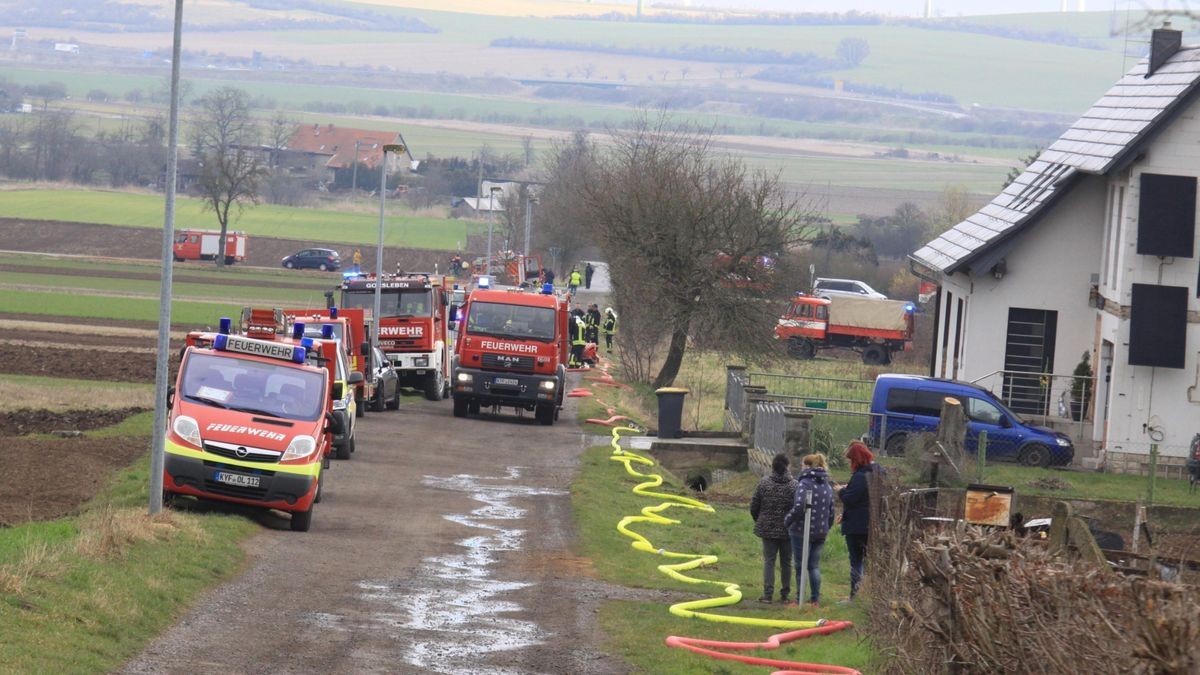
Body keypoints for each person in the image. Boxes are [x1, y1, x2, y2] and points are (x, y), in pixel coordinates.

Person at [785, 453, 835, 607]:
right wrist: (827, 526)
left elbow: (800, 506)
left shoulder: (804, 483)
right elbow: (831, 510)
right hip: (821, 531)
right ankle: (815, 599)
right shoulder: (827, 485)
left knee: (800, 565)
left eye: (802, 465)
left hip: (801, 530)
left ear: (807, 466)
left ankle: (799, 598)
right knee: (814, 566)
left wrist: (788, 520)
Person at [750, 452, 797, 604]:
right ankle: (785, 594)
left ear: (773, 466)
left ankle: (767, 594)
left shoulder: (764, 483)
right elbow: (797, 508)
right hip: (787, 530)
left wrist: (759, 519)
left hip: (768, 529)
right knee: (786, 562)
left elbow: (754, 505)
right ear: (787, 466)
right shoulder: (794, 486)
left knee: (769, 561)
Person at [839, 441, 876, 600]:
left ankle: (855, 596)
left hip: (857, 527)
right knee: (869, 561)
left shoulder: (861, 477)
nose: (849, 464)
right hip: (870, 524)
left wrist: (841, 491)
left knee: (856, 561)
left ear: (856, 460)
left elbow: (850, 499)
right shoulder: (875, 472)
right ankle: (868, 595)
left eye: (850, 460)